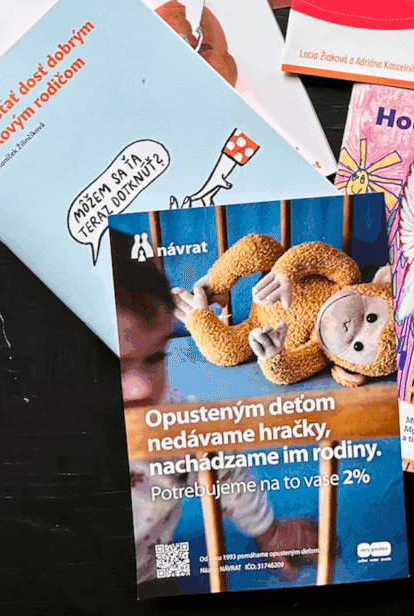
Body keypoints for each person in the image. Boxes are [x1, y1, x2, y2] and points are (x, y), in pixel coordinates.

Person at [112, 230, 318, 589]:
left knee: (173, 584)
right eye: (114, 363)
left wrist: (268, 531)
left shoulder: (174, 417)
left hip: (157, 562)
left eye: (156, 356)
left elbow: (224, 466)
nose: (143, 387)